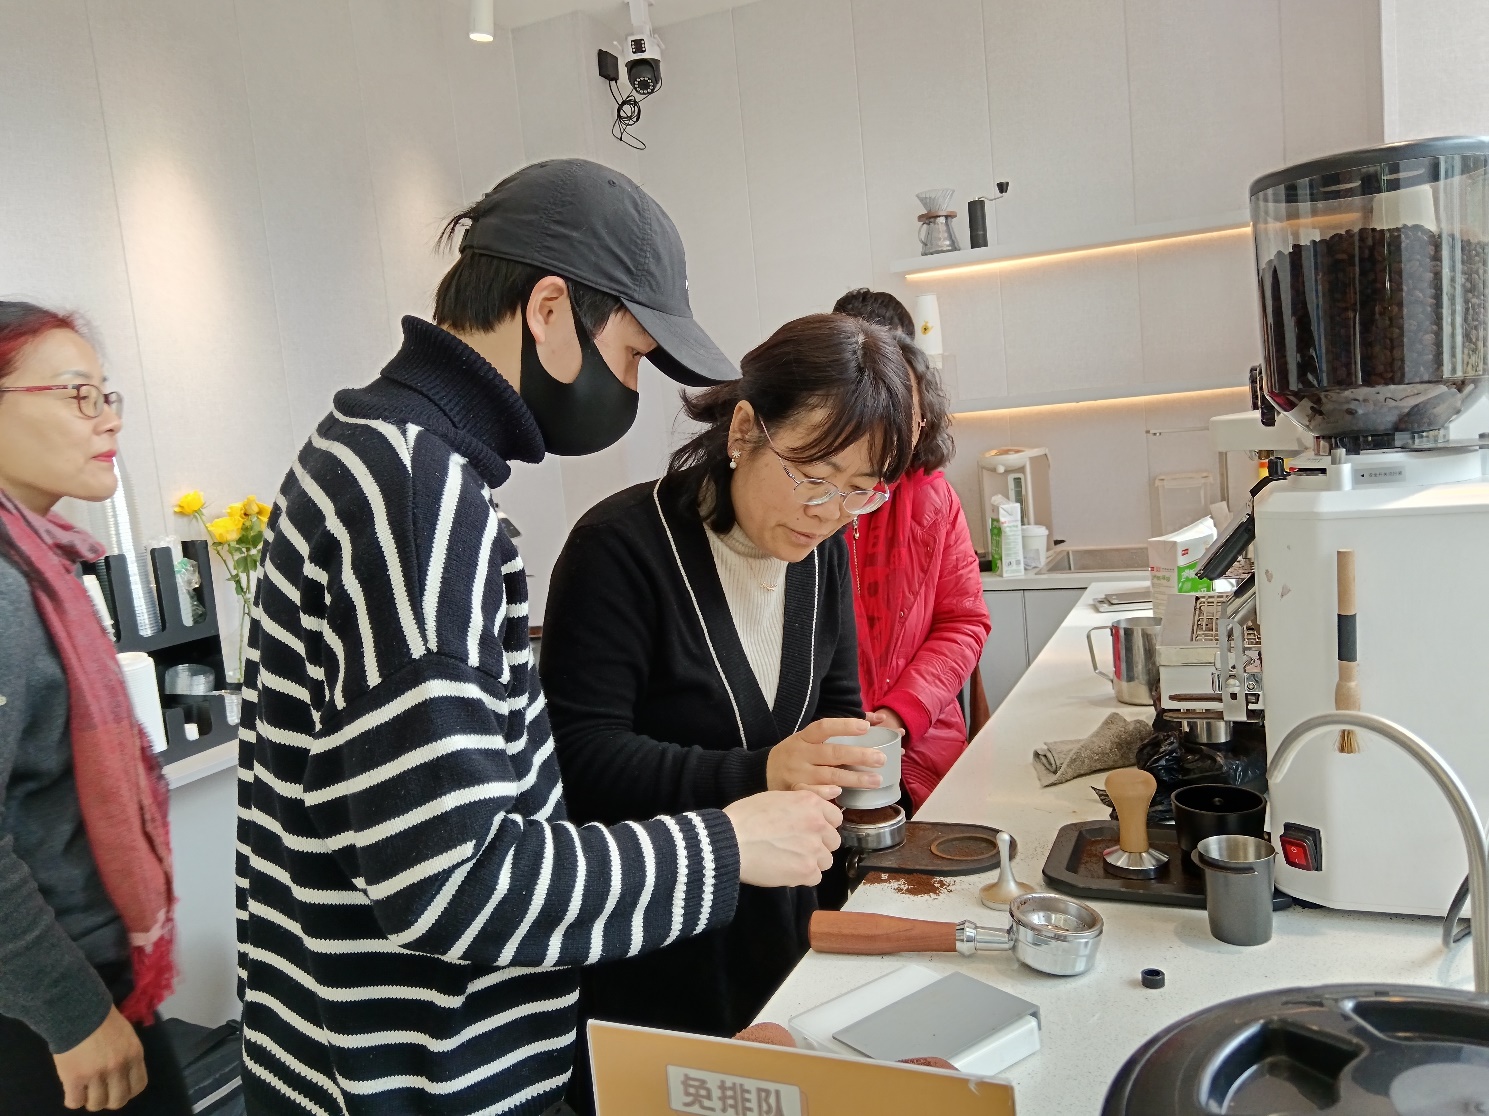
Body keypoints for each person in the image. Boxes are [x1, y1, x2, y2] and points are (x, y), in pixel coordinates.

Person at [235, 160, 843, 1116]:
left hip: (357, 1056)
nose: (630, 387)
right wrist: (726, 844)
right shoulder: (419, 501)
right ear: (549, 310)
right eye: (633, 355)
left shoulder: (370, 447)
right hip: (417, 1080)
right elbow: (455, 883)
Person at [540, 313, 916, 1106]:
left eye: (859, 489)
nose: (827, 510)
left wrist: (861, 788)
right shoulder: (621, 548)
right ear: (744, 428)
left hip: (781, 939)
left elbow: (836, 711)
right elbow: (582, 755)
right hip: (655, 950)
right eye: (812, 473)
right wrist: (761, 771)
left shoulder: (818, 554)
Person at [0, 303, 190, 1114]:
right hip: (42, 1014)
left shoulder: (40, 562)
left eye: (106, 394)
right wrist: (72, 1016)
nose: (108, 417)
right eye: (78, 394)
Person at [831, 289, 990, 811]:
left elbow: (963, 621)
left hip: (921, 748)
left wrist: (902, 712)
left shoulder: (933, 500)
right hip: (820, 754)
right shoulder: (808, 498)